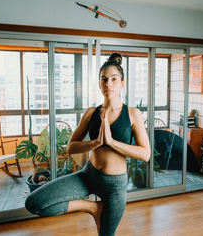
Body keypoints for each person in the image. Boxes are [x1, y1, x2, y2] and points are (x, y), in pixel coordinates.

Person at [25, 53, 151, 236]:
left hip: (115, 185)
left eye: (114, 79)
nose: (108, 84)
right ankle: (92, 208)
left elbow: (145, 154)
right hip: (89, 175)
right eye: (104, 79)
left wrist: (111, 142)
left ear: (122, 83)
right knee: (34, 203)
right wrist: (96, 142)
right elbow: (71, 147)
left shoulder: (133, 114)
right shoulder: (91, 113)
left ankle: (98, 211)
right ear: (99, 83)